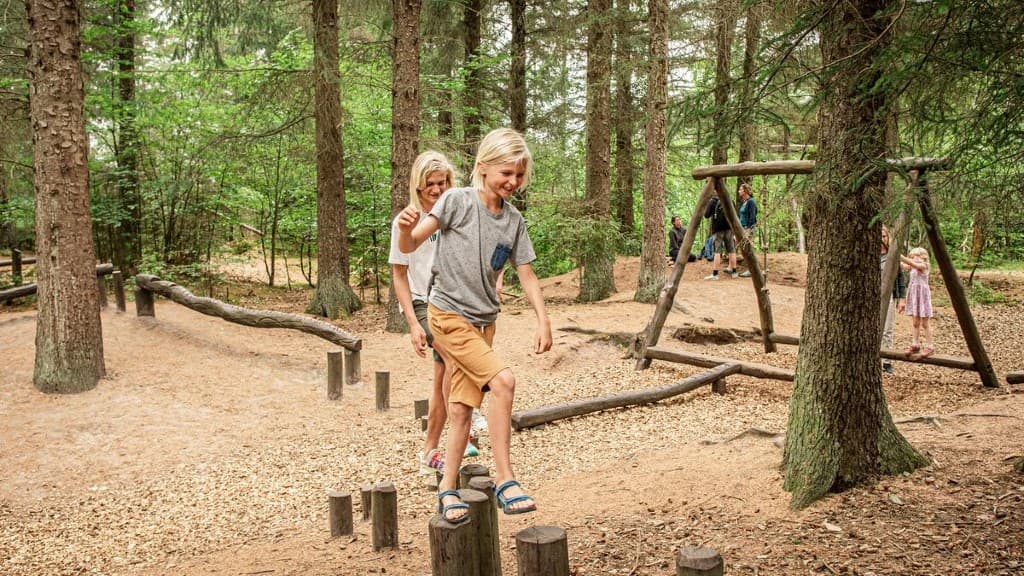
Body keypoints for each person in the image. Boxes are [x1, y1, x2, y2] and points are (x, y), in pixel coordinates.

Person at [398, 128, 552, 524]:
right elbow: (412, 242)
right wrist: (403, 227)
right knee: (503, 382)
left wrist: (543, 319)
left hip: (484, 323)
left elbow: (528, 274)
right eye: (506, 173)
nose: (513, 182)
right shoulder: (455, 201)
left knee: (463, 409)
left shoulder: (514, 221)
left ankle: (447, 489)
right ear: (482, 168)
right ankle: (506, 479)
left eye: (519, 175)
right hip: (447, 315)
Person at [388, 152, 481, 478]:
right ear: (418, 185)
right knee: (456, 360)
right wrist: (413, 324)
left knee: (441, 376)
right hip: (420, 302)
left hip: (450, 302)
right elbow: (399, 275)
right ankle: (464, 426)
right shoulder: (407, 220)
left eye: (443, 183)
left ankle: (429, 452)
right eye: (431, 184)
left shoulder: (454, 215)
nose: (438, 189)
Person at [879, 226, 906, 374]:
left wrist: (902, 297)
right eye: (879, 236)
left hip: (889, 296)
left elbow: (900, 277)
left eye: (884, 236)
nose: (881, 239)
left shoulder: (892, 256)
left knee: (887, 330)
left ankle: (887, 362)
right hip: (871, 298)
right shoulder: (867, 256)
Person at [901, 246, 934, 357]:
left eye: (916, 256)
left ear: (923, 257)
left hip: (922, 297)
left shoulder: (924, 266)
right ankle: (915, 344)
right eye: (912, 256)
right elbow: (903, 265)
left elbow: (914, 264)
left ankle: (930, 346)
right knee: (915, 323)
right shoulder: (912, 267)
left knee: (925, 323)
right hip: (914, 296)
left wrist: (901, 256)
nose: (914, 258)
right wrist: (892, 255)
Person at [703, 194, 737, 280]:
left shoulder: (713, 201)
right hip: (729, 228)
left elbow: (706, 215)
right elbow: (734, 215)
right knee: (731, 250)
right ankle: (734, 272)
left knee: (717, 251)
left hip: (717, 229)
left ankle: (715, 274)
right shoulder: (729, 199)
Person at [736, 184, 757, 278]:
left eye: (740, 189)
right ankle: (747, 268)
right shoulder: (744, 202)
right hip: (742, 228)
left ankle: (751, 270)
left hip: (748, 228)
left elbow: (752, 216)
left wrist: (749, 229)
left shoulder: (751, 202)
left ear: (745, 191)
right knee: (743, 248)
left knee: (749, 249)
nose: (739, 191)